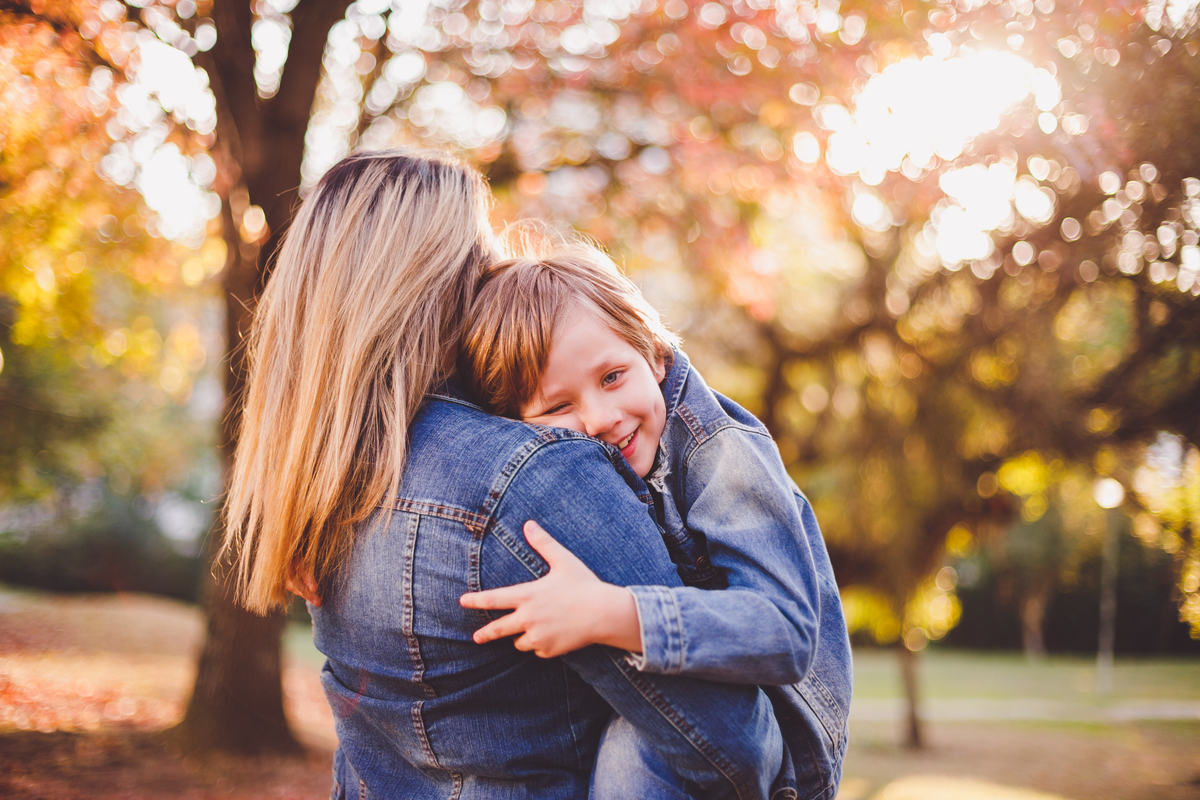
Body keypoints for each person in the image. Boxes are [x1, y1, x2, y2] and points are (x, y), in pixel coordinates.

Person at [220, 150, 789, 799]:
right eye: (480, 257)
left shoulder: (321, 500)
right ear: (445, 281)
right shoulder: (534, 478)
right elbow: (731, 752)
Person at [457, 242, 852, 800]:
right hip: (682, 701)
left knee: (631, 749)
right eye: (557, 407)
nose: (599, 418)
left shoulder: (724, 454)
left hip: (781, 746)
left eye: (613, 376)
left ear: (655, 355)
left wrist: (611, 614)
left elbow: (784, 630)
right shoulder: (583, 463)